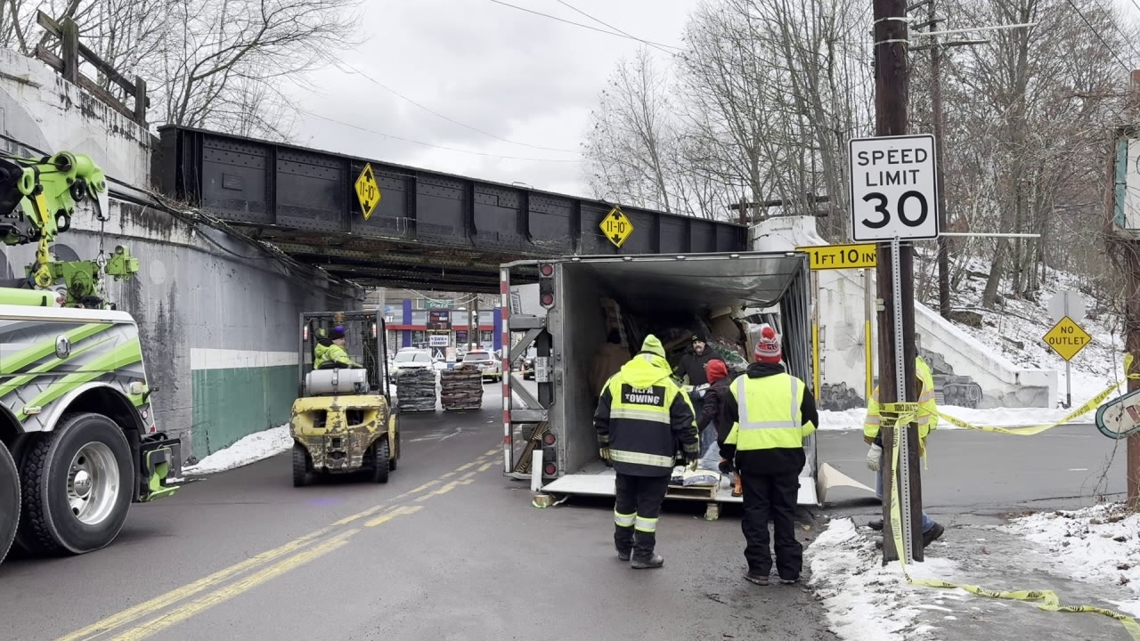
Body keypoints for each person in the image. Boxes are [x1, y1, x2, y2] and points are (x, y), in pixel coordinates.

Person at [720, 325, 818, 586]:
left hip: (753, 462)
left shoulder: (738, 386)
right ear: (779, 358)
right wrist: (791, 436)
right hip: (787, 461)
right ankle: (789, 571)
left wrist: (726, 455)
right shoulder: (796, 386)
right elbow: (812, 422)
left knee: (756, 515)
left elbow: (729, 429)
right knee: (785, 513)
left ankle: (759, 570)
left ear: (756, 356)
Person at [594, 334, 700, 570]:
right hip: (658, 462)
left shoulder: (616, 381)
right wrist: (692, 454)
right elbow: (686, 424)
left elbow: (600, 418)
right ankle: (643, 554)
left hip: (623, 461)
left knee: (624, 505)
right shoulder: (671, 386)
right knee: (648, 510)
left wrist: (604, 447)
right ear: (661, 359)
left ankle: (623, 548)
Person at [863, 356, 945, 546]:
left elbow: (896, 414)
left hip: (898, 439)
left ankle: (926, 526)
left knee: (896, 489)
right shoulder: (912, 366)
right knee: (887, 489)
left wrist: (878, 443)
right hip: (898, 437)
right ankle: (891, 523)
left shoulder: (908, 371)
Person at [697, 359, 744, 498]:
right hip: (738, 431)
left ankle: (738, 479)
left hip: (725, 434)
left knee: (708, 462)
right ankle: (735, 479)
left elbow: (708, 413)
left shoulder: (713, 391)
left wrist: (694, 429)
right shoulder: (733, 386)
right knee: (731, 460)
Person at [589, 329, 630, 399]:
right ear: (619, 341)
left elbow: (591, 375)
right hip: (615, 393)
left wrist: (593, 390)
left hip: (599, 393)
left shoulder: (598, 355)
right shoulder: (624, 356)